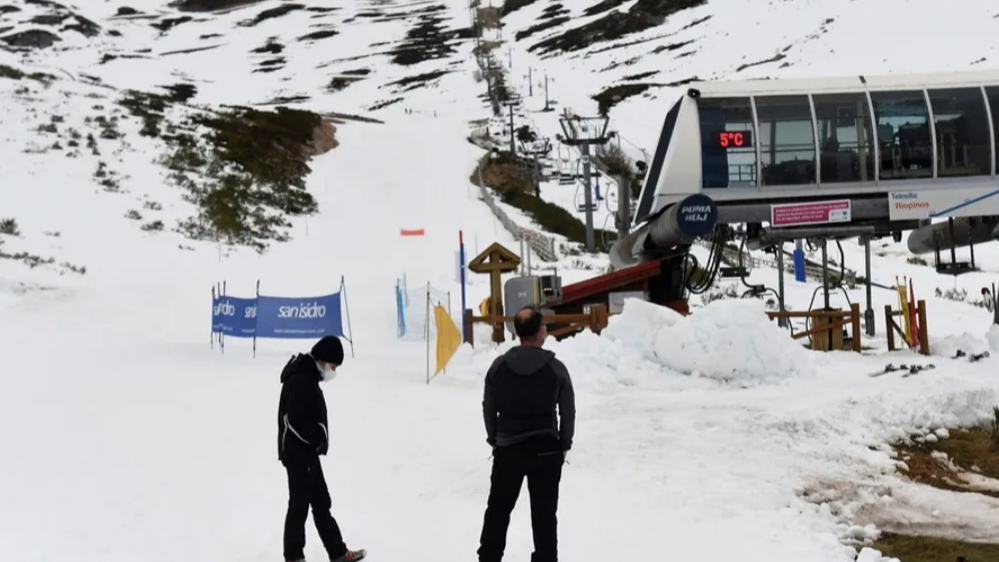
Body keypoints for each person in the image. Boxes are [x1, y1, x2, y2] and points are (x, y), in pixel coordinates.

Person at [477, 306, 576, 562]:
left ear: (517, 332)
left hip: (508, 448)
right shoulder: (556, 368)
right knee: (544, 515)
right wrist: (564, 443)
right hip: (546, 451)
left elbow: (489, 406)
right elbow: (568, 410)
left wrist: (494, 438)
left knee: (498, 509)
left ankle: (488, 557)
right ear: (542, 331)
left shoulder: (498, 367)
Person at [277, 335, 365, 562]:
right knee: (299, 506)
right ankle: (294, 557)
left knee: (321, 503)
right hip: (299, 455)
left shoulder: (308, 375)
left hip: (307, 454)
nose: (333, 371)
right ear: (324, 359)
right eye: (333, 366)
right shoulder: (301, 379)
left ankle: (338, 553)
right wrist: (316, 438)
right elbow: (293, 419)